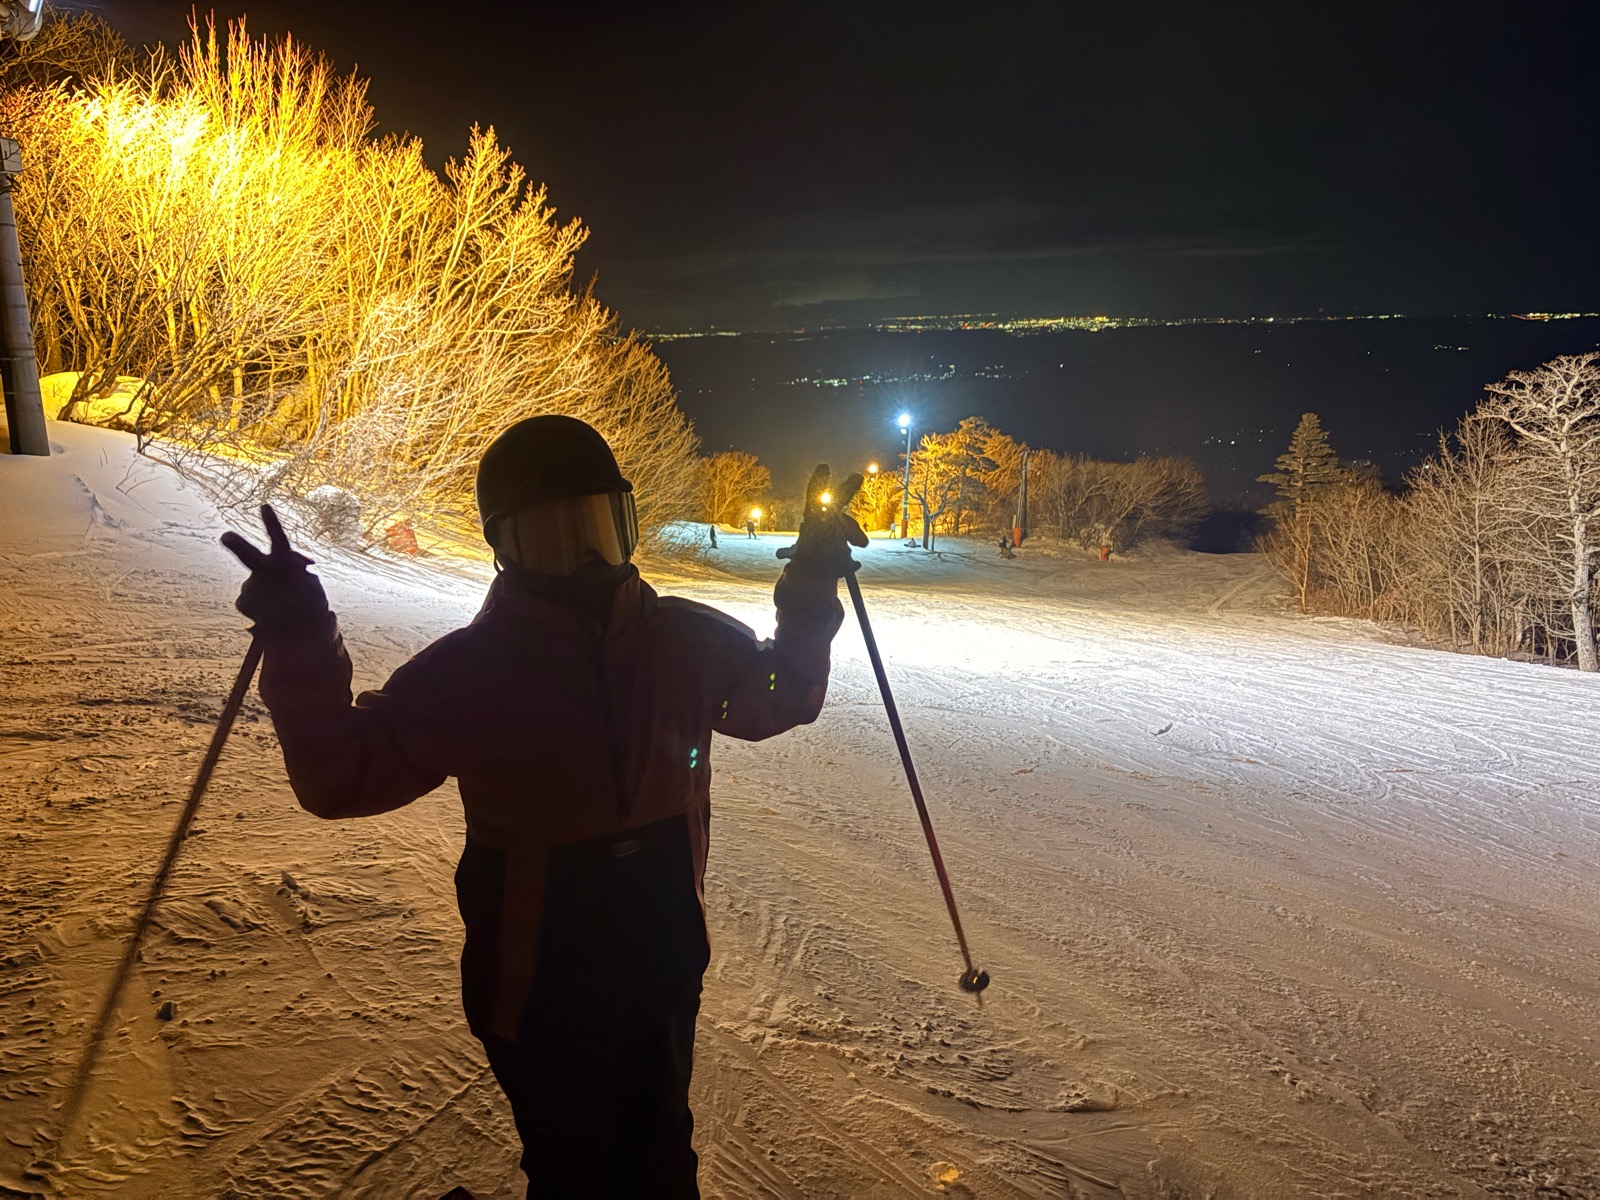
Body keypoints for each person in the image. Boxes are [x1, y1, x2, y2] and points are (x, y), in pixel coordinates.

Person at [221, 416, 866, 1198]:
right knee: (580, 1166)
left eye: (600, 529)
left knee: (661, 1148)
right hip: (540, 981)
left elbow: (782, 695)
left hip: (662, 964)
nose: (586, 560)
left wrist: (808, 591)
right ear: (506, 547)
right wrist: (298, 637)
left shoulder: (680, 641)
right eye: (553, 538)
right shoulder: (475, 672)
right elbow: (341, 775)